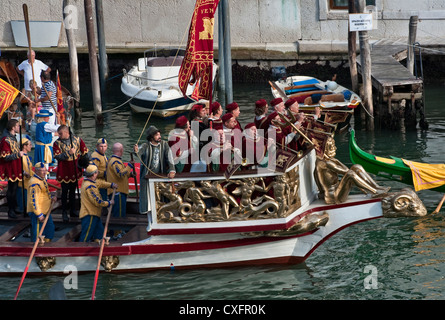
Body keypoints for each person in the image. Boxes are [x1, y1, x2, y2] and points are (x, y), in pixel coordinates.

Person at [314, 137, 390, 204]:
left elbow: (316, 177)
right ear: (325, 149)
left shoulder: (324, 160)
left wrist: (336, 160)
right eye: (332, 147)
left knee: (356, 167)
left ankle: (377, 187)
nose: (335, 148)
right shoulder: (325, 163)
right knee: (350, 174)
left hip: (336, 191)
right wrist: (335, 161)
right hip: (334, 197)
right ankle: (374, 191)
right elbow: (346, 171)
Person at [134, 125, 175, 217]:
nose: (159, 136)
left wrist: (172, 170)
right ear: (151, 136)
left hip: (160, 177)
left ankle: (162, 218)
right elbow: (139, 152)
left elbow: (170, 157)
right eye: (157, 135)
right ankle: (150, 221)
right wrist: (136, 150)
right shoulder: (145, 145)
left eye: (159, 134)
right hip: (148, 178)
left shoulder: (164, 144)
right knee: (148, 202)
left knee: (161, 200)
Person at [53, 125, 88, 222]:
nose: (59, 136)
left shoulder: (77, 140)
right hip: (64, 169)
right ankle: (64, 212)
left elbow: (84, 151)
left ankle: (73, 210)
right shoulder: (57, 143)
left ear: (66, 132)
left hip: (74, 168)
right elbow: (57, 156)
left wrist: (84, 162)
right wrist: (69, 153)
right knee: (64, 192)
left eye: (60, 134)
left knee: (73, 191)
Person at [79, 164, 117, 242]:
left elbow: (100, 183)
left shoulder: (90, 182)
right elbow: (97, 201)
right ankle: (80, 250)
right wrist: (109, 203)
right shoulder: (89, 187)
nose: (97, 174)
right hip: (89, 214)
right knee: (86, 236)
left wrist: (111, 185)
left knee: (100, 234)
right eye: (96, 173)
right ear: (93, 174)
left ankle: (99, 247)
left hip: (95, 214)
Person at [106, 142, 134, 239]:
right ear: (121, 151)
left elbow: (123, 174)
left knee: (120, 213)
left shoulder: (116, 161)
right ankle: (116, 233)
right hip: (117, 192)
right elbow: (120, 174)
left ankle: (118, 231)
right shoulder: (115, 162)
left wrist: (130, 174)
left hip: (120, 191)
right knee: (118, 214)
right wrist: (129, 166)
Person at [0, 119, 25, 219]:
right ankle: (10, 210)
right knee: (11, 189)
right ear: (13, 127)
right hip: (11, 167)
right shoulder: (6, 140)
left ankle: (14, 208)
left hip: (16, 166)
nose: (19, 128)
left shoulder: (13, 138)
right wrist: (17, 154)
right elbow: (5, 156)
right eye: (17, 126)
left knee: (14, 188)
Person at [27, 162, 57, 242]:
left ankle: (45, 248)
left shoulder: (41, 179)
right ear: (36, 171)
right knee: (38, 235)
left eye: (45, 170)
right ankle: (37, 252)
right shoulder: (34, 183)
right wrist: (39, 214)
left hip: (46, 210)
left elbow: (44, 193)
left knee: (49, 230)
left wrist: (51, 198)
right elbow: (34, 200)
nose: (45, 172)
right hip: (38, 212)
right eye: (42, 171)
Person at [16, 136, 34, 214]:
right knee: (23, 202)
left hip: (28, 183)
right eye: (29, 145)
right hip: (22, 184)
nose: (31, 146)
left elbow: (29, 169)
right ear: (24, 146)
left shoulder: (26, 157)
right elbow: (18, 168)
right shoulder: (21, 157)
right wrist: (24, 173)